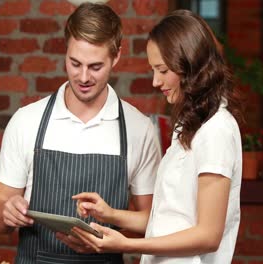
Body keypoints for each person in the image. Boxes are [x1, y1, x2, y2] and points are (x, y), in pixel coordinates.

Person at [0, 3, 161, 263]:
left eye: (95, 66)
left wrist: (109, 232)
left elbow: (154, 223)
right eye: (74, 63)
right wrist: (6, 212)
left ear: (116, 57)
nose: (83, 77)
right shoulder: (27, 120)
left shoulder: (139, 129)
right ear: (65, 51)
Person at [70, 9, 244, 264]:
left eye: (162, 70)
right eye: (153, 70)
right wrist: (110, 214)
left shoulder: (216, 130)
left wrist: (126, 244)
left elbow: (209, 235)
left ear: (190, 66)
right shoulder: (190, 126)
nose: (155, 81)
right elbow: (167, 219)